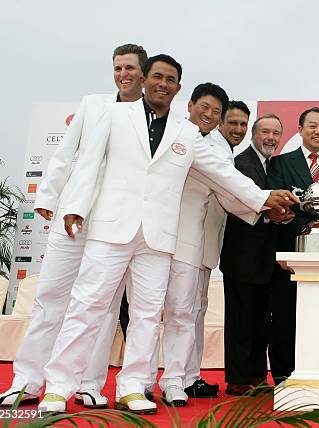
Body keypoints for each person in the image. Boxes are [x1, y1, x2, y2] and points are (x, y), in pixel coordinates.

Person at [37, 55, 296, 414]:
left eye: (170, 79)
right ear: (144, 80)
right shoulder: (113, 116)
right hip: (110, 230)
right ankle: (59, 385)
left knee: (146, 314)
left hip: (158, 238)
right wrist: (75, 207)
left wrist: (263, 197)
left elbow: (224, 175)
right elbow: (90, 162)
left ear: (178, 88)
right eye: (156, 76)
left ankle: (133, 386)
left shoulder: (187, 133)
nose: (162, 83)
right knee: (87, 306)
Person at [0, 43, 148, 409]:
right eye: (118, 67)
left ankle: (88, 385)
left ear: (143, 73)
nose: (123, 74)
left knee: (104, 308)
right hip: (72, 219)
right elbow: (65, 153)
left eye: (130, 68)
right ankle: (26, 382)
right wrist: (47, 197)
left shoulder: (151, 116)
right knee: (49, 300)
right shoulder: (93, 104)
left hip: (114, 225)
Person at [155, 86, 256, 405]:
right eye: (206, 109)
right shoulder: (187, 137)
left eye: (217, 112)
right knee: (179, 311)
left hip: (205, 242)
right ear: (191, 105)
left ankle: (187, 376)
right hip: (181, 237)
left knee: (195, 310)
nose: (210, 116)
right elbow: (227, 184)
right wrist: (265, 202)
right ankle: (171, 379)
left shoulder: (217, 145)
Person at [266, 107, 319, 384]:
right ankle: (283, 372)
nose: (318, 132)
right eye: (312, 126)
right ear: (301, 130)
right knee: (284, 313)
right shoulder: (281, 163)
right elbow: (275, 204)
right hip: (291, 248)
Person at [221, 114, 292, 395]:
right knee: (241, 321)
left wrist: (284, 214)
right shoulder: (238, 164)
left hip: (267, 260)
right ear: (254, 133)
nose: (271, 138)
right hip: (242, 257)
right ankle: (237, 379)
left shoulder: (274, 165)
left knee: (261, 321)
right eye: (265, 132)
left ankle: (256, 375)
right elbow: (235, 204)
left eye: (276, 133)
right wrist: (269, 211)